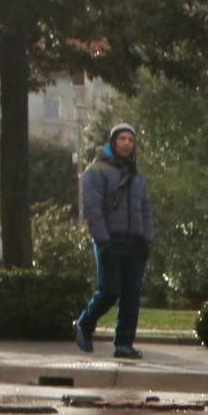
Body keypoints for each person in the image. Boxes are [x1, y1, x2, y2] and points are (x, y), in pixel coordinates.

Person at [74, 122, 152, 358]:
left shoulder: (136, 175)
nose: (127, 143)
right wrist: (102, 239)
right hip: (109, 241)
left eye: (130, 139)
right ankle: (84, 324)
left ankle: (124, 344)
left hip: (135, 243)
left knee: (132, 294)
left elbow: (145, 208)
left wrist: (147, 239)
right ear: (113, 142)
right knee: (110, 291)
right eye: (122, 139)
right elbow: (92, 208)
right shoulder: (96, 171)